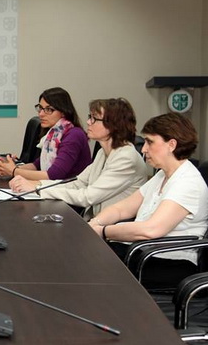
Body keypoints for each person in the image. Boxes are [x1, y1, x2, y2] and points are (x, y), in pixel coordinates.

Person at [88, 113, 208, 289]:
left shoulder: (188, 183)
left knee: (90, 265)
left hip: (167, 261)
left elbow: (150, 230)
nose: (143, 149)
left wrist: (103, 231)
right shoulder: (162, 175)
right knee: (86, 255)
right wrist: (94, 223)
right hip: (143, 252)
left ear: (171, 145)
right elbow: (122, 209)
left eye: (150, 142)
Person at [9, 98, 148, 218]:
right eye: (90, 117)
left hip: (113, 231)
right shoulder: (103, 152)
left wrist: (38, 189)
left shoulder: (126, 158)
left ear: (113, 125)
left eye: (94, 119)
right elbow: (77, 183)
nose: (88, 122)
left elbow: (88, 196)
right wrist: (36, 185)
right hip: (95, 222)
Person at [0, 87, 92, 181]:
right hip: (56, 188)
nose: (41, 114)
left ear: (63, 112)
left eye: (48, 109)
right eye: (40, 108)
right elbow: (37, 165)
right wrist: (8, 168)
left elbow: (54, 175)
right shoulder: (54, 133)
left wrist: (14, 171)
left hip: (70, 190)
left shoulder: (74, 135)